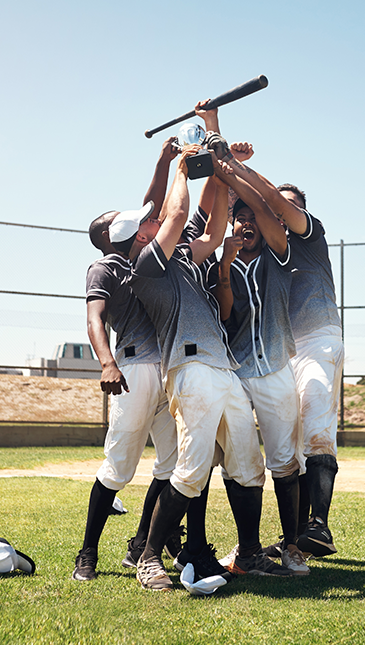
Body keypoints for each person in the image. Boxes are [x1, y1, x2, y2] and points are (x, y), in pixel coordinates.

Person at [113, 144, 292, 591]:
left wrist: (218, 165)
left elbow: (212, 227)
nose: (152, 220)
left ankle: (248, 553)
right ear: (139, 238)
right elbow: (174, 216)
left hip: (222, 368)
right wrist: (180, 170)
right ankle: (149, 558)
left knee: (249, 464)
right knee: (192, 469)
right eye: (145, 224)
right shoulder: (146, 266)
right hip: (190, 367)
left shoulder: (185, 261)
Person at [223, 145, 344, 558]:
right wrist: (218, 139)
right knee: (290, 446)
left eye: (289, 208)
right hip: (283, 351)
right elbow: (235, 200)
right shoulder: (267, 249)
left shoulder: (308, 235)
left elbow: (268, 199)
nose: (281, 212)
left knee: (315, 424)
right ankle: (297, 539)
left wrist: (240, 166)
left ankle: (319, 526)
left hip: (318, 338)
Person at [72, 139, 184, 582]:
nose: (145, 223)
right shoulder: (104, 268)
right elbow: (94, 319)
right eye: (131, 224)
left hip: (171, 370)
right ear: (109, 237)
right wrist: (105, 362)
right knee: (118, 468)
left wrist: (164, 161)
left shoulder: (144, 257)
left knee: (175, 464)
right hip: (134, 370)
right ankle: (87, 553)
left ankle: (142, 544)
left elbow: (153, 205)